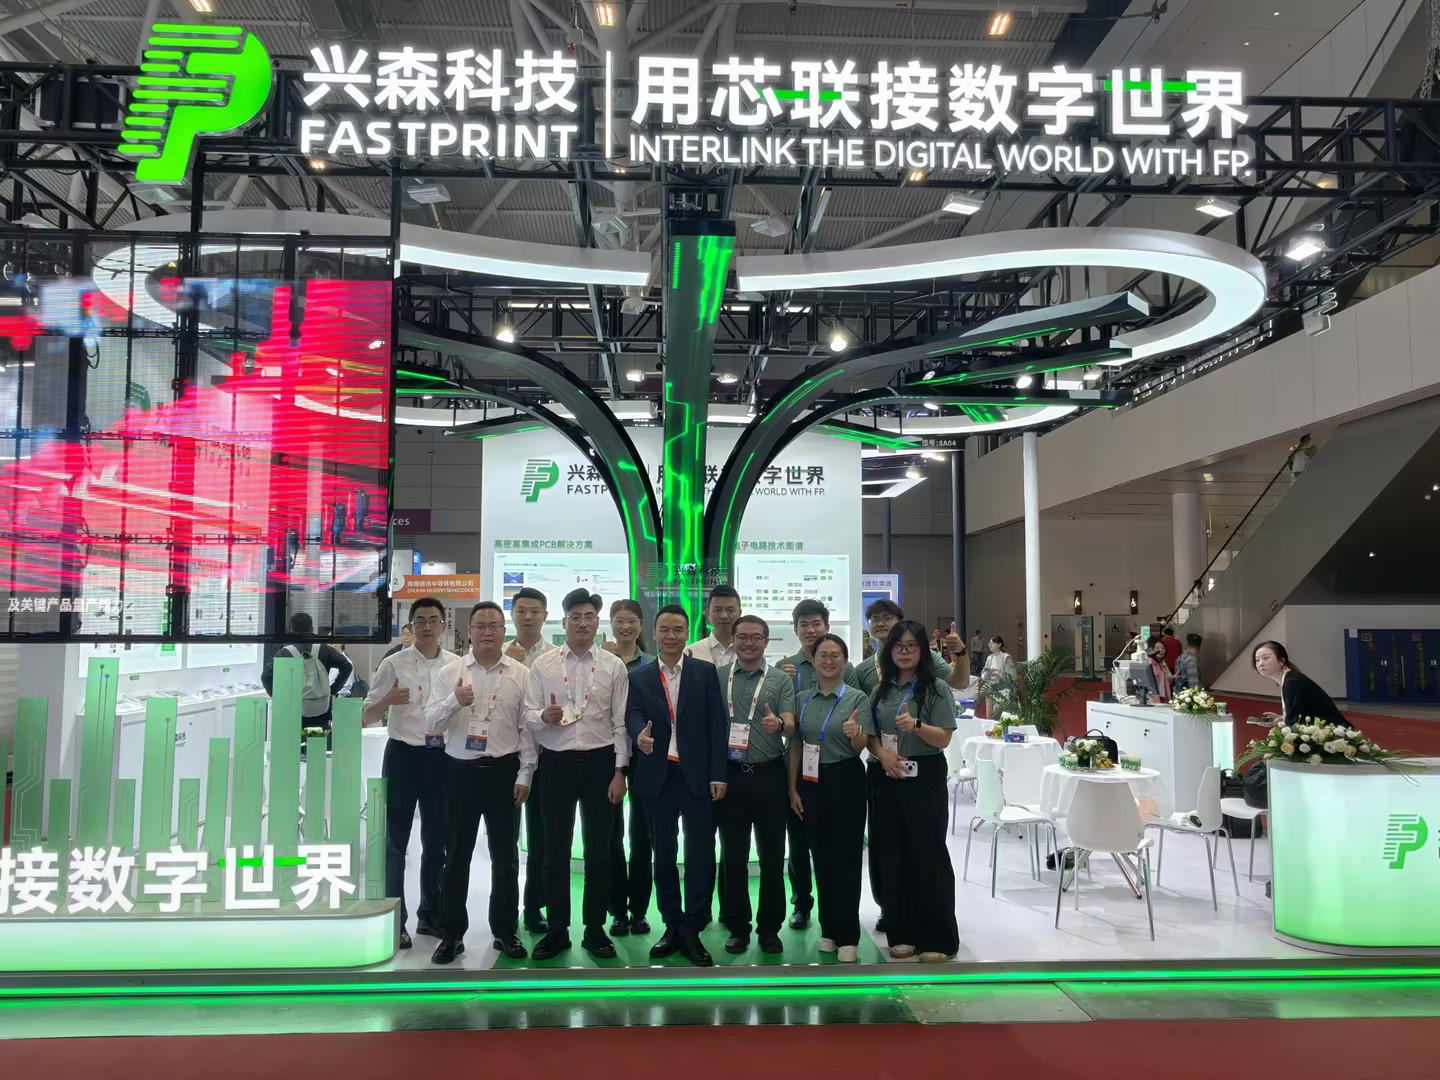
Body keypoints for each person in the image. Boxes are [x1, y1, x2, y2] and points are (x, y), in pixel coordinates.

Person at [422, 602, 535, 964]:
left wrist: (525, 773)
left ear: (504, 631)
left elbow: (527, 729)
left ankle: (505, 930)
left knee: (506, 858)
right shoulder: (451, 672)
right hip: (460, 772)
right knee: (455, 856)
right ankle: (451, 934)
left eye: (494, 625)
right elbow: (429, 723)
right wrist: (454, 701)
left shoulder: (521, 674)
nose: (487, 632)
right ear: (468, 632)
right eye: (480, 626)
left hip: (505, 772)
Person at [522, 588, 629, 961]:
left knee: (600, 851)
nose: (583, 623)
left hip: (601, 764)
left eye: (589, 617)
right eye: (576, 617)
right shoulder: (543, 665)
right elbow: (528, 715)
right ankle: (557, 930)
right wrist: (543, 716)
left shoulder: (614, 666)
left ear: (598, 623)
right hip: (556, 763)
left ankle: (595, 929)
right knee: (554, 851)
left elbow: (620, 723)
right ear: (564, 621)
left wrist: (620, 771)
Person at [627, 604, 728, 966]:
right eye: (664, 629)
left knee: (700, 853)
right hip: (658, 776)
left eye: (678, 629)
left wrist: (718, 774)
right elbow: (633, 713)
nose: (671, 636)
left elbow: (717, 724)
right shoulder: (639, 676)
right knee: (664, 855)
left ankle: (694, 927)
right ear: (653, 634)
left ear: (687, 634)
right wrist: (638, 735)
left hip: (697, 776)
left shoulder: (704, 672)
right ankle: (672, 924)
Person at [867, 619, 959, 963]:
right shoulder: (883, 689)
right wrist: (883, 755)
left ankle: (939, 938)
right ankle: (901, 932)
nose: (904, 652)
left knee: (928, 854)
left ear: (923, 651)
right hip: (886, 774)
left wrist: (917, 726)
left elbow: (944, 738)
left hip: (924, 776)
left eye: (911, 646)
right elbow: (871, 735)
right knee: (892, 854)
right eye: (898, 646)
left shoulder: (935, 688)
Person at [363, 597, 451, 950]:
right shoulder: (393, 663)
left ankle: (430, 914)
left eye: (434, 620)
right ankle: (395, 920)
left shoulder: (456, 665)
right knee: (394, 843)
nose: (427, 627)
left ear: (444, 625)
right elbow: (365, 715)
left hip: (441, 758)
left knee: (437, 842)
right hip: (401, 756)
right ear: (410, 626)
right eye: (420, 621)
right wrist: (387, 701)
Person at [787, 632, 873, 963]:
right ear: (813, 661)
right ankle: (828, 929)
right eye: (822, 655)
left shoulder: (857, 699)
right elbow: (796, 744)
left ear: (845, 661)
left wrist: (856, 734)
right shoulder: (802, 699)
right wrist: (792, 788)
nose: (828, 660)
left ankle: (848, 935)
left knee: (846, 858)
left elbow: (860, 746)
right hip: (810, 780)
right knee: (820, 857)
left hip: (846, 778)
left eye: (835, 655)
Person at [715, 614, 796, 956]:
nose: (749, 643)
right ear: (733, 640)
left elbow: (791, 723)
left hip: (769, 775)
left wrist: (780, 724)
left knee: (772, 857)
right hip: (731, 777)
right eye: (742, 637)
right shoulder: (718, 676)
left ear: (766, 641)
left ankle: (769, 928)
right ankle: (737, 927)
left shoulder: (780, 679)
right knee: (733, 856)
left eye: (756, 637)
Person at [778, 599, 859, 930]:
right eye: (804, 624)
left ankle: (837, 909)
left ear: (827, 626)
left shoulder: (845, 667)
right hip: (798, 761)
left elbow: (858, 710)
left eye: (816, 624)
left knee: (836, 844)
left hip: (837, 764)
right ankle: (802, 902)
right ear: (795, 629)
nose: (810, 630)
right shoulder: (785, 667)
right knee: (798, 840)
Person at [505, 586, 556, 934]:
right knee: (505, 839)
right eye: (521, 610)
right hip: (506, 757)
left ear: (545, 616)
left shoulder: (555, 658)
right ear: (512, 614)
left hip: (544, 756)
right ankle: (505, 910)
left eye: (534, 611)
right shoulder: (498, 654)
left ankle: (534, 906)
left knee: (541, 837)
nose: (527, 617)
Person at [605, 597, 654, 938]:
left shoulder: (651, 664)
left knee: (642, 836)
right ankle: (617, 912)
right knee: (611, 837)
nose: (625, 626)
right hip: (607, 758)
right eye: (619, 620)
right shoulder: (600, 662)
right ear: (611, 624)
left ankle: (639, 911)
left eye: (631, 621)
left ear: (640, 626)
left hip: (645, 758)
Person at [261, 612, 352, 733]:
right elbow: (347, 666)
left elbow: (266, 676)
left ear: (291, 629)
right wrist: (333, 690)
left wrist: (279, 697)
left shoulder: (285, 653)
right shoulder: (324, 649)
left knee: (293, 741)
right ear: (312, 628)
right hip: (322, 710)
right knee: (319, 740)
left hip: (294, 710)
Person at [855, 600, 968, 695]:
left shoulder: (923, 656)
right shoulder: (862, 670)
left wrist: (960, 652)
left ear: (900, 621)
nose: (880, 624)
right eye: (875, 619)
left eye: (887, 618)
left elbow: (960, 683)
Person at [1253, 641, 1347, 727]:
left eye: (1265, 658)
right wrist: (1282, 718)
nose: (1261, 663)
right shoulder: (1289, 679)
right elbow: (1302, 715)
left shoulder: (1292, 682)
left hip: (1332, 733)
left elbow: (1297, 723)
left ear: (1281, 660)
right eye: (1257, 660)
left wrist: (1285, 721)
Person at [686, 584, 741, 670]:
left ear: (740, 613)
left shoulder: (751, 652)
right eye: (718, 610)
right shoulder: (691, 652)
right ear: (708, 614)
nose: (724, 616)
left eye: (730, 610)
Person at [1147, 637, 1173, 702]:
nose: (1160, 650)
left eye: (1163, 648)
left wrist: (1170, 678)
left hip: (1163, 697)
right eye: (1157, 648)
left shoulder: (1162, 664)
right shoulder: (1150, 663)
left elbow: (1168, 679)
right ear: (1152, 649)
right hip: (1152, 698)